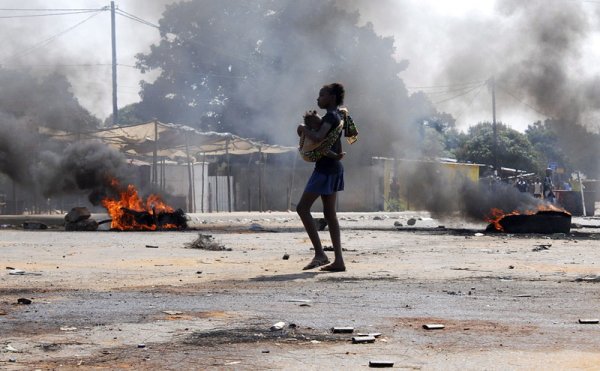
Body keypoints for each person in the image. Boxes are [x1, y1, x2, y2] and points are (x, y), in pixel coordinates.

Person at [296, 82, 348, 272]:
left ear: (332, 97)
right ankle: (339, 261)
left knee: (302, 208)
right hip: (334, 167)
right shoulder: (339, 115)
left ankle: (320, 254)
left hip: (325, 169)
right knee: (329, 214)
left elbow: (318, 138)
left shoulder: (330, 116)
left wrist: (303, 129)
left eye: (322, 95)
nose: (318, 99)